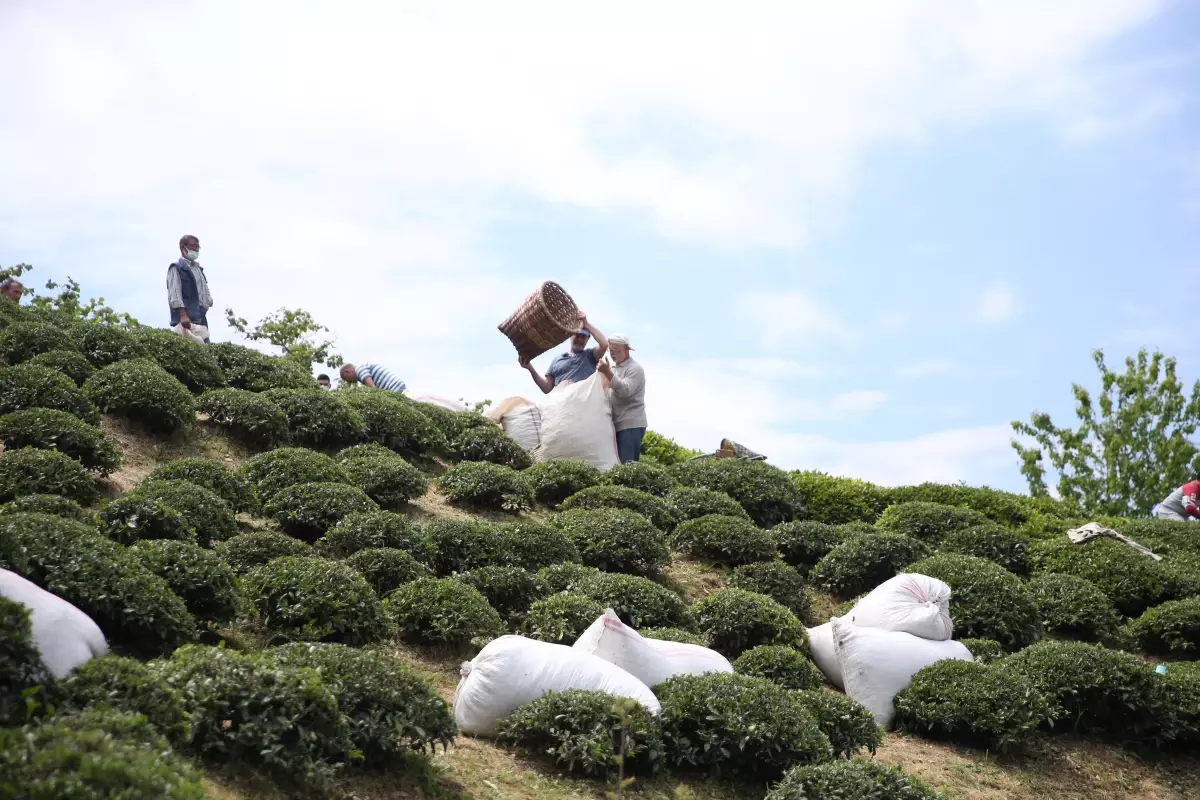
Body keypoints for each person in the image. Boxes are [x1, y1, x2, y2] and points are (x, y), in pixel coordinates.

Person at [520, 312, 608, 394]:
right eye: (577, 336)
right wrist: (530, 368)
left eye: (583, 337)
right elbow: (547, 388)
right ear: (570, 336)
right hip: (561, 405)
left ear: (587, 339)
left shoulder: (590, 355)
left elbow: (604, 344)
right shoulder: (557, 359)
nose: (580, 340)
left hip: (582, 404)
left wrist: (586, 323)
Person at [597, 333, 646, 463]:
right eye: (610, 350)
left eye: (616, 350)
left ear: (627, 349)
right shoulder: (614, 368)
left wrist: (607, 372)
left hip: (630, 424)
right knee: (615, 466)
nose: (612, 354)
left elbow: (625, 390)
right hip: (615, 425)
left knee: (626, 465)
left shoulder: (635, 369)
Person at [167, 234, 213, 343]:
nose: (196, 249)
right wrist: (183, 315)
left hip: (200, 316)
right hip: (187, 318)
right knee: (191, 348)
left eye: (198, 247)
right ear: (183, 248)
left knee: (205, 347)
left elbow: (205, 292)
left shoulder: (198, 270)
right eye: (193, 246)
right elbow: (175, 293)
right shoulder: (177, 268)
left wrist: (207, 306)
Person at [340, 362, 406, 394]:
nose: (349, 382)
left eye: (346, 379)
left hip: (395, 388)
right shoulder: (362, 368)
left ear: (347, 371)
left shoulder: (359, 370)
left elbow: (373, 389)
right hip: (398, 387)